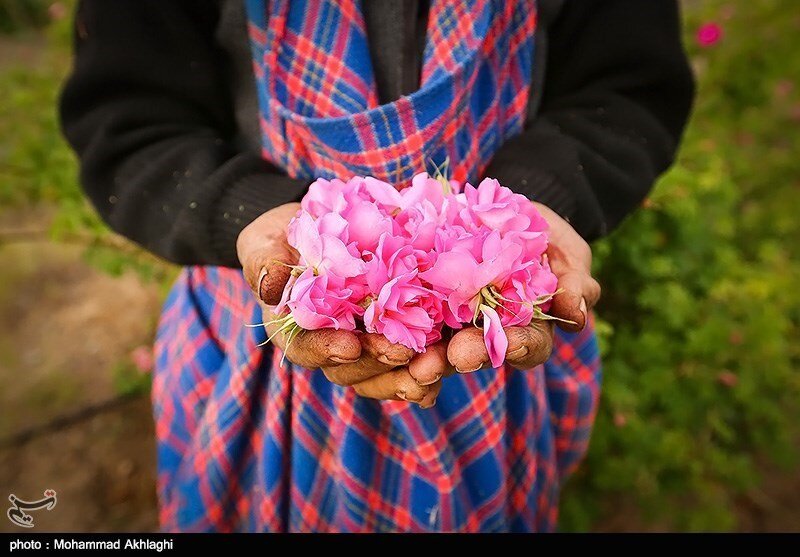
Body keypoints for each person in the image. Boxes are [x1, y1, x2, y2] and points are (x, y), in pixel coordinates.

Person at [60, 0, 694, 532]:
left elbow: (628, 91)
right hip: (247, 336)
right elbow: (130, 122)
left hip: (496, 323)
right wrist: (244, 214)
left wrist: (534, 202)